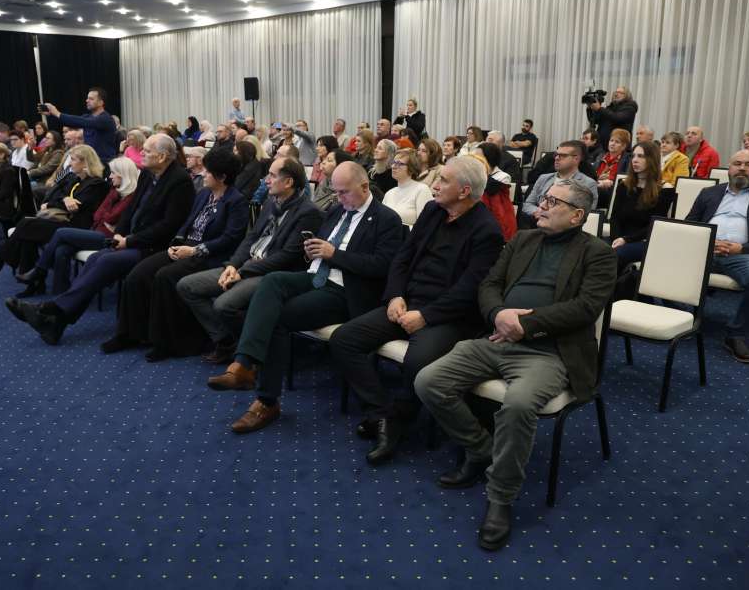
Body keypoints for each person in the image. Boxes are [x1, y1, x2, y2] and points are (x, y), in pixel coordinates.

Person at [415, 177, 616, 551]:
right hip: (497, 338)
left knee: (519, 404)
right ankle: (481, 449)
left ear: (577, 216)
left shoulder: (598, 253)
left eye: (552, 202)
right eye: (544, 199)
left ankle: (500, 497)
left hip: (549, 351)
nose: (541, 206)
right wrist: (498, 314)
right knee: (429, 380)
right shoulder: (523, 240)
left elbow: (586, 308)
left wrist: (527, 324)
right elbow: (489, 285)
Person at [331, 157, 503, 464]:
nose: (434, 184)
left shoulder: (487, 231)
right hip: (407, 303)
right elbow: (402, 257)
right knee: (345, 338)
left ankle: (398, 419)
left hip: (448, 316)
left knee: (418, 360)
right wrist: (395, 295)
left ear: (464, 191)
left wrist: (426, 316)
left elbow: (469, 290)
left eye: (443, 180)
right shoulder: (433, 210)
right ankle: (383, 415)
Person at [222, 162, 405, 434]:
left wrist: (334, 255)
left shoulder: (386, 219)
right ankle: (243, 364)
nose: (339, 198)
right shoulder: (336, 211)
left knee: (277, 318)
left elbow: (382, 266)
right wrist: (312, 252)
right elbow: (322, 248)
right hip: (315, 276)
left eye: (344, 192)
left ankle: (264, 398)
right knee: (272, 281)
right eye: (336, 192)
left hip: (346, 291)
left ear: (365, 187)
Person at [5, 134, 195, 345]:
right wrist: (119, 234)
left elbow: (169, 225)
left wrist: (130, 241)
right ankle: (56, 322)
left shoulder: (180, 181)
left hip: (156, 247)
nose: (141, 152)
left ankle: (50, 310)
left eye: (147, 151)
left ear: (162, 157)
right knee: (96, 259)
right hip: (132, 239)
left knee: (105, 260)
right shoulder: (147, 174)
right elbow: (131, 210)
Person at [99, 146, 249, 361]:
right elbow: (187, 223)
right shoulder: (204, 194)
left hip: (209, 256)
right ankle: (129, 334)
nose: (203, 174)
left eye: (208, 171)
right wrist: (176, 242)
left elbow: (230, 238)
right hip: (186, 248)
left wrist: (195, 250)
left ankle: (167, 342)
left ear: (222, 177)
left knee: (165, 277)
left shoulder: (237, 201)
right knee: (138, 275)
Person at [178, 157, 323, 374]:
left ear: (288, 182)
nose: (266, 180)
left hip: (271, 274)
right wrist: (232, 265)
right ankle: (228, 340)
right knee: (187, 286)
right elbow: (251, 238)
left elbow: (286, 257)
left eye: (272, 175)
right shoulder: (271, 202)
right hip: (247, 266)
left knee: (224, 305)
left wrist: (243, 272)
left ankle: (255, 351)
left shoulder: (308, 213)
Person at [686, 149, 749, 364]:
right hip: (703, 249)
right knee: (657, 260)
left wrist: (742, 249)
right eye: (737, 163)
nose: (742, 168)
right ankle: (682, 316)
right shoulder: (709, 192)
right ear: (729, 167)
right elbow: (690, 223)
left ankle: (736, 333)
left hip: (743, 254)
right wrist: (707, 241)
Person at [15, 157, 140, 297]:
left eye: (113, 173)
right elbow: (97, 215)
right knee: (62, 250)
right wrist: (106, 218)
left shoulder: (131, 196)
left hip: (109, 238)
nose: (110, 176)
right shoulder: (114, 191)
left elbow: (110, 217)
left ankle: (39, 270)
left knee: (61, 233)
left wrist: (106, 218)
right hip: (97, 231)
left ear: (123, 174)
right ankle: (60, 293)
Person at [0, 145, 107, 272]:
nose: (70, 163)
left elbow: (76, 207)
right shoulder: (72, 178)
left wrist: (55, 203)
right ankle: (29, 278)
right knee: (27, 234)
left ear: (85, 162)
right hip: (59, 219)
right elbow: (54, 193)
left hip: (74, 225)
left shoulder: (96, 184)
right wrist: (65, 198)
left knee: (26, 224)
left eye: (73, 160)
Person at [609, 142, 675, 269]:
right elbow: (615, 218)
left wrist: (626, 240)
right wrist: (616, 239)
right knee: (593, 249)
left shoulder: (665, 189)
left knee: (616, 254)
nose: (634, 160)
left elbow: (655, 225)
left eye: (640, 156)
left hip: (645, 240)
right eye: (633, 156)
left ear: (652, 159)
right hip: (620, 238)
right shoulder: (624, 185)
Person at [521, 141, 599, 226]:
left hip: (567, 228)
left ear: (576, 159)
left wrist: (549, 214)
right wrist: (539, 212)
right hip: (538, 224)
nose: (557, 158)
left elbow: (587, 215)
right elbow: (527, 205)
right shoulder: (543, 178)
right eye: (556, 155)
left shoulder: (588, 183)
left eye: (563, 155)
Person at [43, 87, 119, 164]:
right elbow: (71, 122)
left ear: (101, 102)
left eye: (91, 99)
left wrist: (57, 113)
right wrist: (53, 114)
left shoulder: (105, 119)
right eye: (87, 98)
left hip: (104, 164)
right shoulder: (88, 117)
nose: (87, 100)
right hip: (90, 163)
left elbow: (81, 121)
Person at [476, 143, 518, 241]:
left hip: (494, 224)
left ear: (488, 159)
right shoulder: (476, 176)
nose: (474, 160)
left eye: (478, 157)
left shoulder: (502, 178)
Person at [382, 148, 432, 225]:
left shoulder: (422, 190)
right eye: (393, 162)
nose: (393, 166)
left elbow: (425, 225)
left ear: (411, 168)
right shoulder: (389, 193)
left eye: (399, 163)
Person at [586, 86, 638, 151]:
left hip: (619, 147)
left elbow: (618, 118)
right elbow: (595, 120)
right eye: (616, 92)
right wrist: (590, 108)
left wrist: (600, 109)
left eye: (620, 93)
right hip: (603, 146)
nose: (616, 94)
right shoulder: (610, 107)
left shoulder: (630, 107)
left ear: (627, 96)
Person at [595, 128, 631, 207]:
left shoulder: (627, 159)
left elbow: (626, 179)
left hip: (613, 192)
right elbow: (591, 175)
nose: (612, 144)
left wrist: (612, 182)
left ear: (623, 146)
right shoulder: (600, 156)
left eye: (617, 142)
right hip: (596, 187)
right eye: (611, 140)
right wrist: (598, 178)